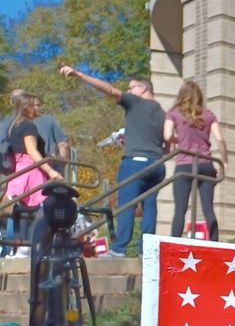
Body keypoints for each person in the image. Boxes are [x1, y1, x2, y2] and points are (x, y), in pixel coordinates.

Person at [60, 65, 165, 256]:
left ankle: (119, 248)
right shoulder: (162, 112)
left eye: (131, 87)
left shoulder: (135, 102)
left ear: (142, 88)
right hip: (156, 164)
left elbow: (109, 90)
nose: (128, 91)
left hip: (135, 163)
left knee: (126, 204)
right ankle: (147, 251)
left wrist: (80, 74)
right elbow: (167, 140)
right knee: (149, 206)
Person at [165, 80, 227, 241]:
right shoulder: (208, 114)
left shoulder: (174, 113)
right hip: (206, 163)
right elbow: (220, 139)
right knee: (208, 208)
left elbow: (167, 135)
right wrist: (224, 162)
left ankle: (174, 244)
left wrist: (178, 140)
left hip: (185, 164)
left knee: (180, 209)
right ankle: (215, 244)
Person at [4, 93, 63, 255]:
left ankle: (20, 247)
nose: (39, 108)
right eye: (36, 105)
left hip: (18, 170)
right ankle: (35, 248)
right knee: (39, 211)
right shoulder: (28, 126)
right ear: (27, 107)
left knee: (23, 211)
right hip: (30, 170)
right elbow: (31, 151)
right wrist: (51, 171)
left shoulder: (13, 125)